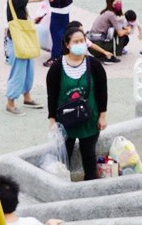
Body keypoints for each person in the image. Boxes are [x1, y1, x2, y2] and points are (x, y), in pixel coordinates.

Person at [46, 24, 109, 181]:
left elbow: (102, 91)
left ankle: (90, 184)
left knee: (88, 154)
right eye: (76, 41)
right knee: (64, 155)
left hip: (90, 118)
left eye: (82, 40)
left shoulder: (94, 65)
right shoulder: (56, 67)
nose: (80, 44)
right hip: (65, 120)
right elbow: (51, 95)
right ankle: (63, 184)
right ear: (67, 45)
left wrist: (102, 115)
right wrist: (52, 119)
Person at [4, 0, 47, 115]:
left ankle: (27, 97)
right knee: (18, 71)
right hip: (17, 41)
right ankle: (10, 103)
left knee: (29, 70)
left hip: (23, 39)